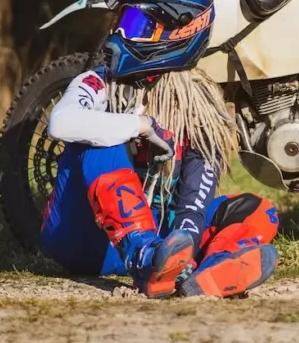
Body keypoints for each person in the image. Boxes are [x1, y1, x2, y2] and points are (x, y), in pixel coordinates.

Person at [39, 67, 279, 298]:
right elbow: (61, 122)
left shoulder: (198, 114)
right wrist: (141, 125)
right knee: (99, 140)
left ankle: (210, 269)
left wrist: (185, 249)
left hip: (161, 243)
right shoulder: (102, 79)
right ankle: (143, 254)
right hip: (81, 236)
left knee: (257, 210)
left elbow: (192, 209)